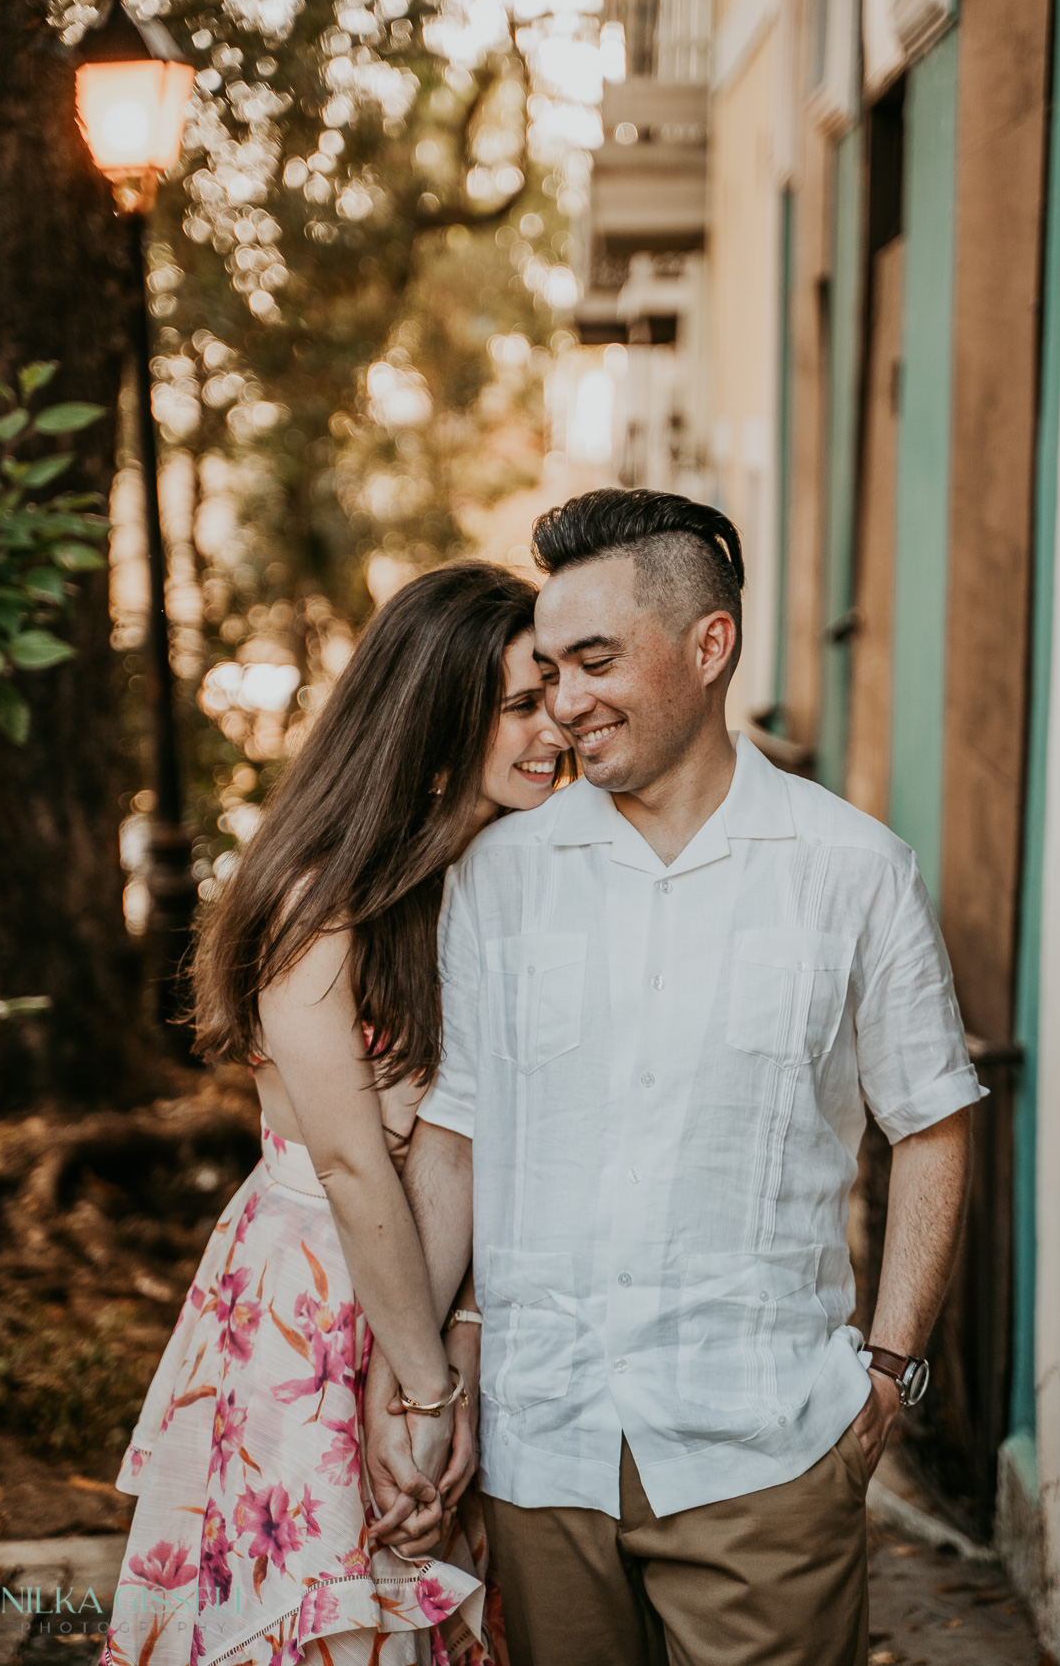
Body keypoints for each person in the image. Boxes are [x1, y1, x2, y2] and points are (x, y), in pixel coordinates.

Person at [365, 490, 984, 1666]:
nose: (566, 702)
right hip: (545, 1454)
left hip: (763, 1452)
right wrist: (422, 1387)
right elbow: (457, 1137)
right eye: (551, 669)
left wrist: (892, 1369)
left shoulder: (853, 871)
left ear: (710, 647)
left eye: (596, 661)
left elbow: (934, 1121)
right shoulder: (499, 877)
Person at [101, 562, 567, 1666]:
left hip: (440, 1299)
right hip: (317, 1302)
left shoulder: (485, 883)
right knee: (323, 1614)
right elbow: (357, 1170)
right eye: (521, 703)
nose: (558, 725)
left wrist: (457, 1349)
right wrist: (423, 1390)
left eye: (556, 692)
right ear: (437, 718)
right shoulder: (320, 901)